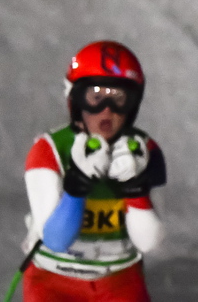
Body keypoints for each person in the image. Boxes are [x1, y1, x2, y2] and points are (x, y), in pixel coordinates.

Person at [20, 41, 166, 302]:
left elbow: (149, 242)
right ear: (75, 99)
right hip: (53, 278)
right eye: (96, 97)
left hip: (119, 278)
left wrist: (134, 186)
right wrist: (78, 185)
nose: (107, 112)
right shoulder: (49, 150)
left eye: (119, 98)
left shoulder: (144, 150)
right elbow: (55, 238)